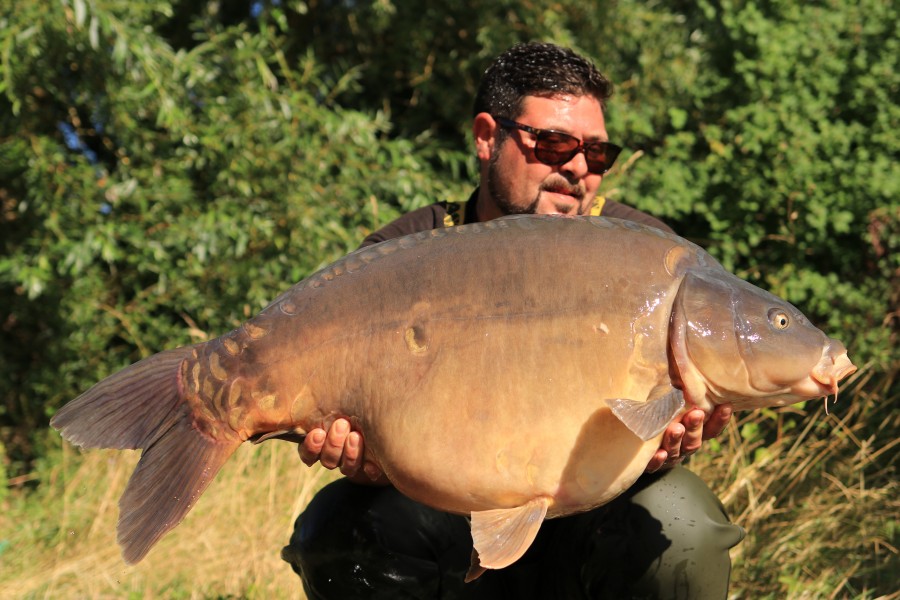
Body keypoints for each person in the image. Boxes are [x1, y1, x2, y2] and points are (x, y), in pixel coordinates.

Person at [281, 42, 743, 599]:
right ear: (486, 136)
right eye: (553, 143)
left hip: (588, 515)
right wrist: (362, 450)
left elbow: (683, 405)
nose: (576, 168)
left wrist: (672, 439)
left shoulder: (645, 257)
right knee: (336, 530)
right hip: (440, 514)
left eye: (597, 154)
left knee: (683, 524)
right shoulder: (403, 253)